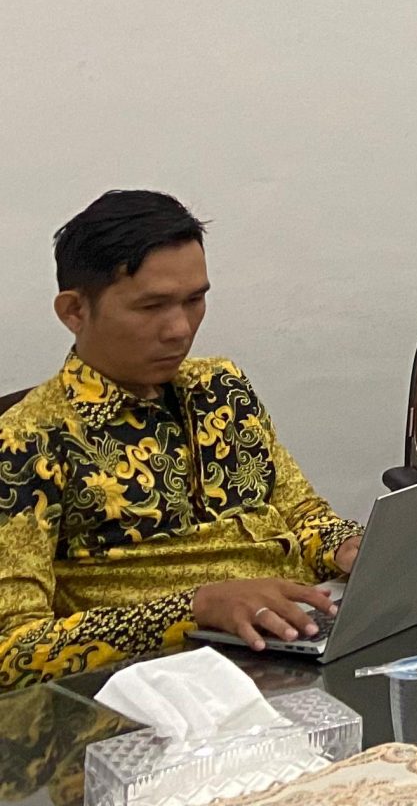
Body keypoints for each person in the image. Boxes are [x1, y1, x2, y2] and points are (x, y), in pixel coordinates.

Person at [0, 191, 364, 687]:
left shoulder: (221, 388)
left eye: (195, 300)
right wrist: (194, 609)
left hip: (295, 642)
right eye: (151, 306)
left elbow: (302, 515)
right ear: (74, 311)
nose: (179, 330)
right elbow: (14, 649)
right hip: (164, 686)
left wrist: (347, 547)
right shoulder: (28, 442)